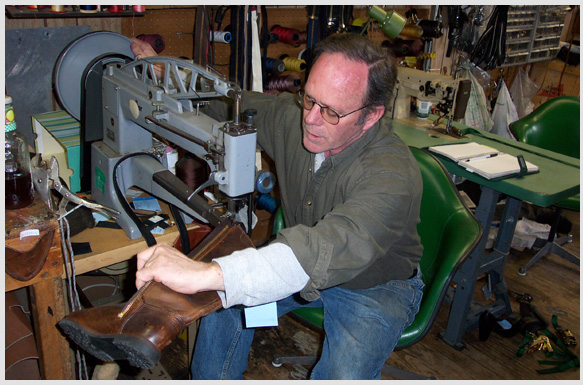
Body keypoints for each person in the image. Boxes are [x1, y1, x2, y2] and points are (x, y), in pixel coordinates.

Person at [131, 33, 424, 380]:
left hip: (374, 286)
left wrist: (208, 273)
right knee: (222, 304)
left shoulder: (391, 175)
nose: (311, 119)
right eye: (309, 99)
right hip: (302, 264)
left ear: (372, 115)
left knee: (341, 375)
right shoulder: (293, 119)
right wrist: (171, 74)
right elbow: (231, 103)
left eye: (331, 111)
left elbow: (325, 247)